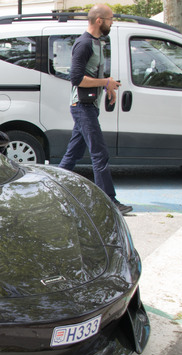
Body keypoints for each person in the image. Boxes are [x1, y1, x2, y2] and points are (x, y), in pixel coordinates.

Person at [57, 4, 132, 215]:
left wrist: (108, 86)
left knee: (73, 154)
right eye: (110, 19)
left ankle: (53, 189)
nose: (112, 22)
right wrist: (105, 82)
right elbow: (77, 79)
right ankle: (108, 201)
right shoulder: (83, 44)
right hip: (82, 106)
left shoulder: (98, 42)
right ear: (99, 20)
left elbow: (94, 76)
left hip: (89, 105)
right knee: (99, 153)